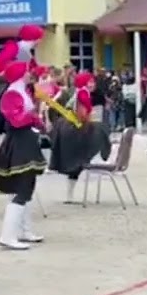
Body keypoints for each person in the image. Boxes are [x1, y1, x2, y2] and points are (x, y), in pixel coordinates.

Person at [0, 60, 49, 251]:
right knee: (22, 188)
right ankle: (8, 235)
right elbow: (16, 120)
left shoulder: (22, 91)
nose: (30, 73)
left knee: (27, 188)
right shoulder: (12, 93)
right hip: (19, 143)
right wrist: (32, 116)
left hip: (26, 141)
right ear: (21, 74)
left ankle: (23, 231)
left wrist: (38, 121)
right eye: (27, 71)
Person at [49, 71, 111, 204]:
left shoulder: (79, 92)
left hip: (69, 127)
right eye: (89, 81)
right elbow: (82, 114)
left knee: (76, 163)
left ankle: (70, 194)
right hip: (76, 128)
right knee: (96, 140)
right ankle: (99, 158)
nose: (92, 84)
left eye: (93, 81)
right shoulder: (83, 93)